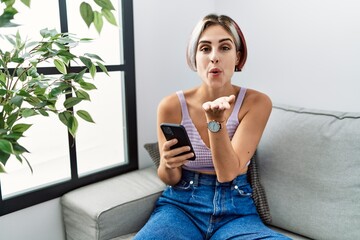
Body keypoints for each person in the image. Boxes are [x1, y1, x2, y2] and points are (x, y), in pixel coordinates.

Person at [134, 14, 290, 240]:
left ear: (237, 57)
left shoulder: (257, 102)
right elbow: (171, 178)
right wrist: (167, 163)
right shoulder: (171, 105)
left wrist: (215, 122)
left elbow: (227, 174)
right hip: (181, 207)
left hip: (235, 211)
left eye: (224, 48)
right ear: (194, 57)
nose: (214, 57)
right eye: (205, 49)